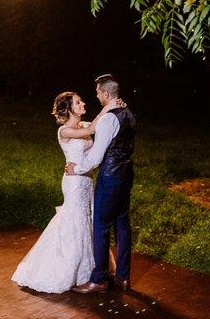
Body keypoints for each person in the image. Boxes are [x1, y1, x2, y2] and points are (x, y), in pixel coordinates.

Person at [11, 91, 122, 293]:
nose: (83, 103)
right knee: (74, 221)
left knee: (87, 222)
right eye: (78, 102)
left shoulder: (83, 125)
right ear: (69, 109)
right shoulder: (65, 131)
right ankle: (64, 270)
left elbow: (99, 132)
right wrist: (107, 107)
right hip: (73, 183)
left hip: (87, 181)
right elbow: (93, 128)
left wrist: (114, 107)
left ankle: (90, 270)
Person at [66, 74, 137, 294]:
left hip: (111, 175)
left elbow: (96, 157)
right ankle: (123, 278)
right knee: (122, 224)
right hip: (127, 173)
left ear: (106, 94)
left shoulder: (108, 120)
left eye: (97, 92)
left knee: (101, 226)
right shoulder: (130, 114)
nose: (96, 96)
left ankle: (98, 280)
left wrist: (76, 169)